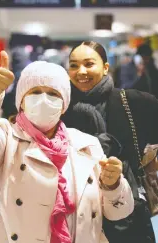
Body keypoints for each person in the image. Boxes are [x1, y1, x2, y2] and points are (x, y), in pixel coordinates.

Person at [0, 51, 134, 243]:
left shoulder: (86, 144)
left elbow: (119, 212)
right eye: (35, 92)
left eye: (53, 93)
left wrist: (113, 185)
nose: (44, 99)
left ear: (64, 104)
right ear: (22, 101)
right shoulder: (6, 137)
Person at [62, 41, 158, 243]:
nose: (81, 72)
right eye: (73, 65)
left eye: (89, 64)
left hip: (128, 219)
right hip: (74, 219)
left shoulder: (133, 102)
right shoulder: (60, 109)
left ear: (105, 67)